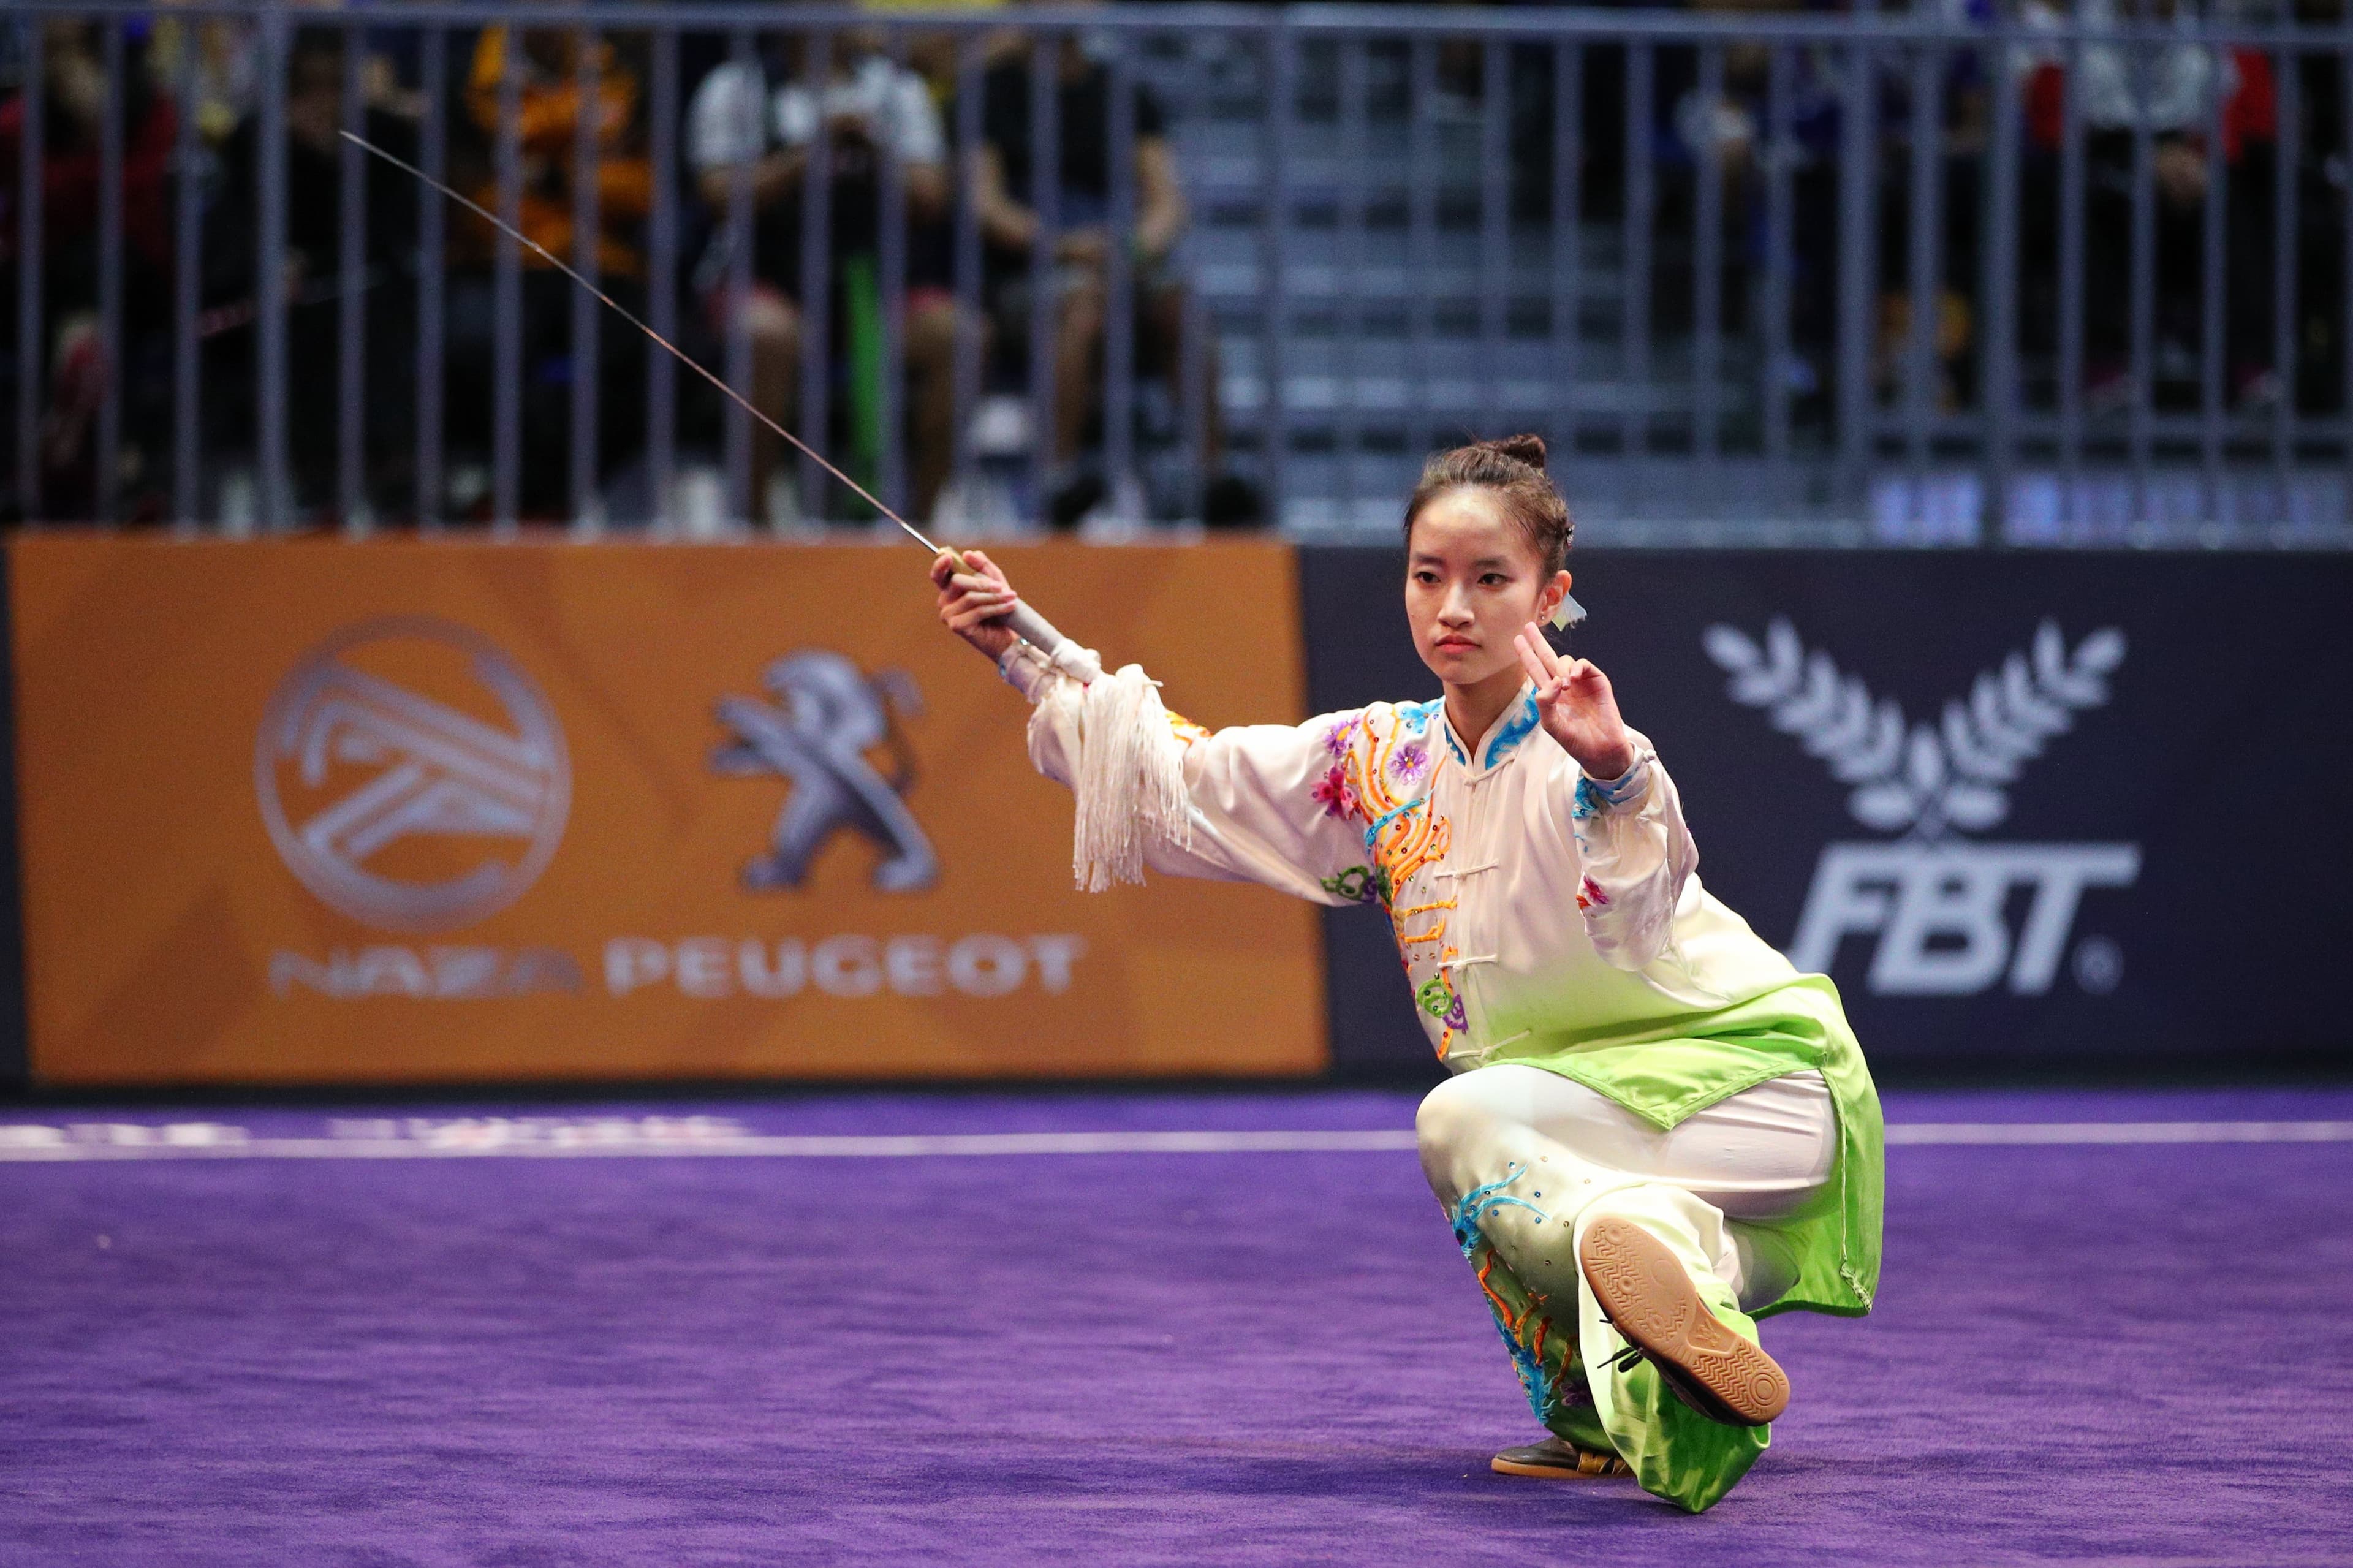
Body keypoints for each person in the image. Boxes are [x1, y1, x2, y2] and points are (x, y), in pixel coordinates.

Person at [927, 435, 1883, 1515]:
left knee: (1462, 1121)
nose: (1454, 607)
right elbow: (1186, 774)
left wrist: (1617, 772)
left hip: (1757, 1091)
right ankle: (1678, 1283)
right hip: (1595, 1132)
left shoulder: (1589, 746)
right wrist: (1026, 650)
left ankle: (1664, 1281)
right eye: (1429, 575)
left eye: (1490, 579)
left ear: (1550, 594)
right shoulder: (1376, 761)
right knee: (1553, 1179)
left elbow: (1642, 906)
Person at [688, 29, 963, 523]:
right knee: (765, 336)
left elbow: (931, 196)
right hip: (772, 276)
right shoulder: (737, 87)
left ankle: (921, 522)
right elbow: (718, 194)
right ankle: (755, 524)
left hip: (876, 282)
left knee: (961, 338)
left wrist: (875, 151)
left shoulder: (898, 90)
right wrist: (804, 156)